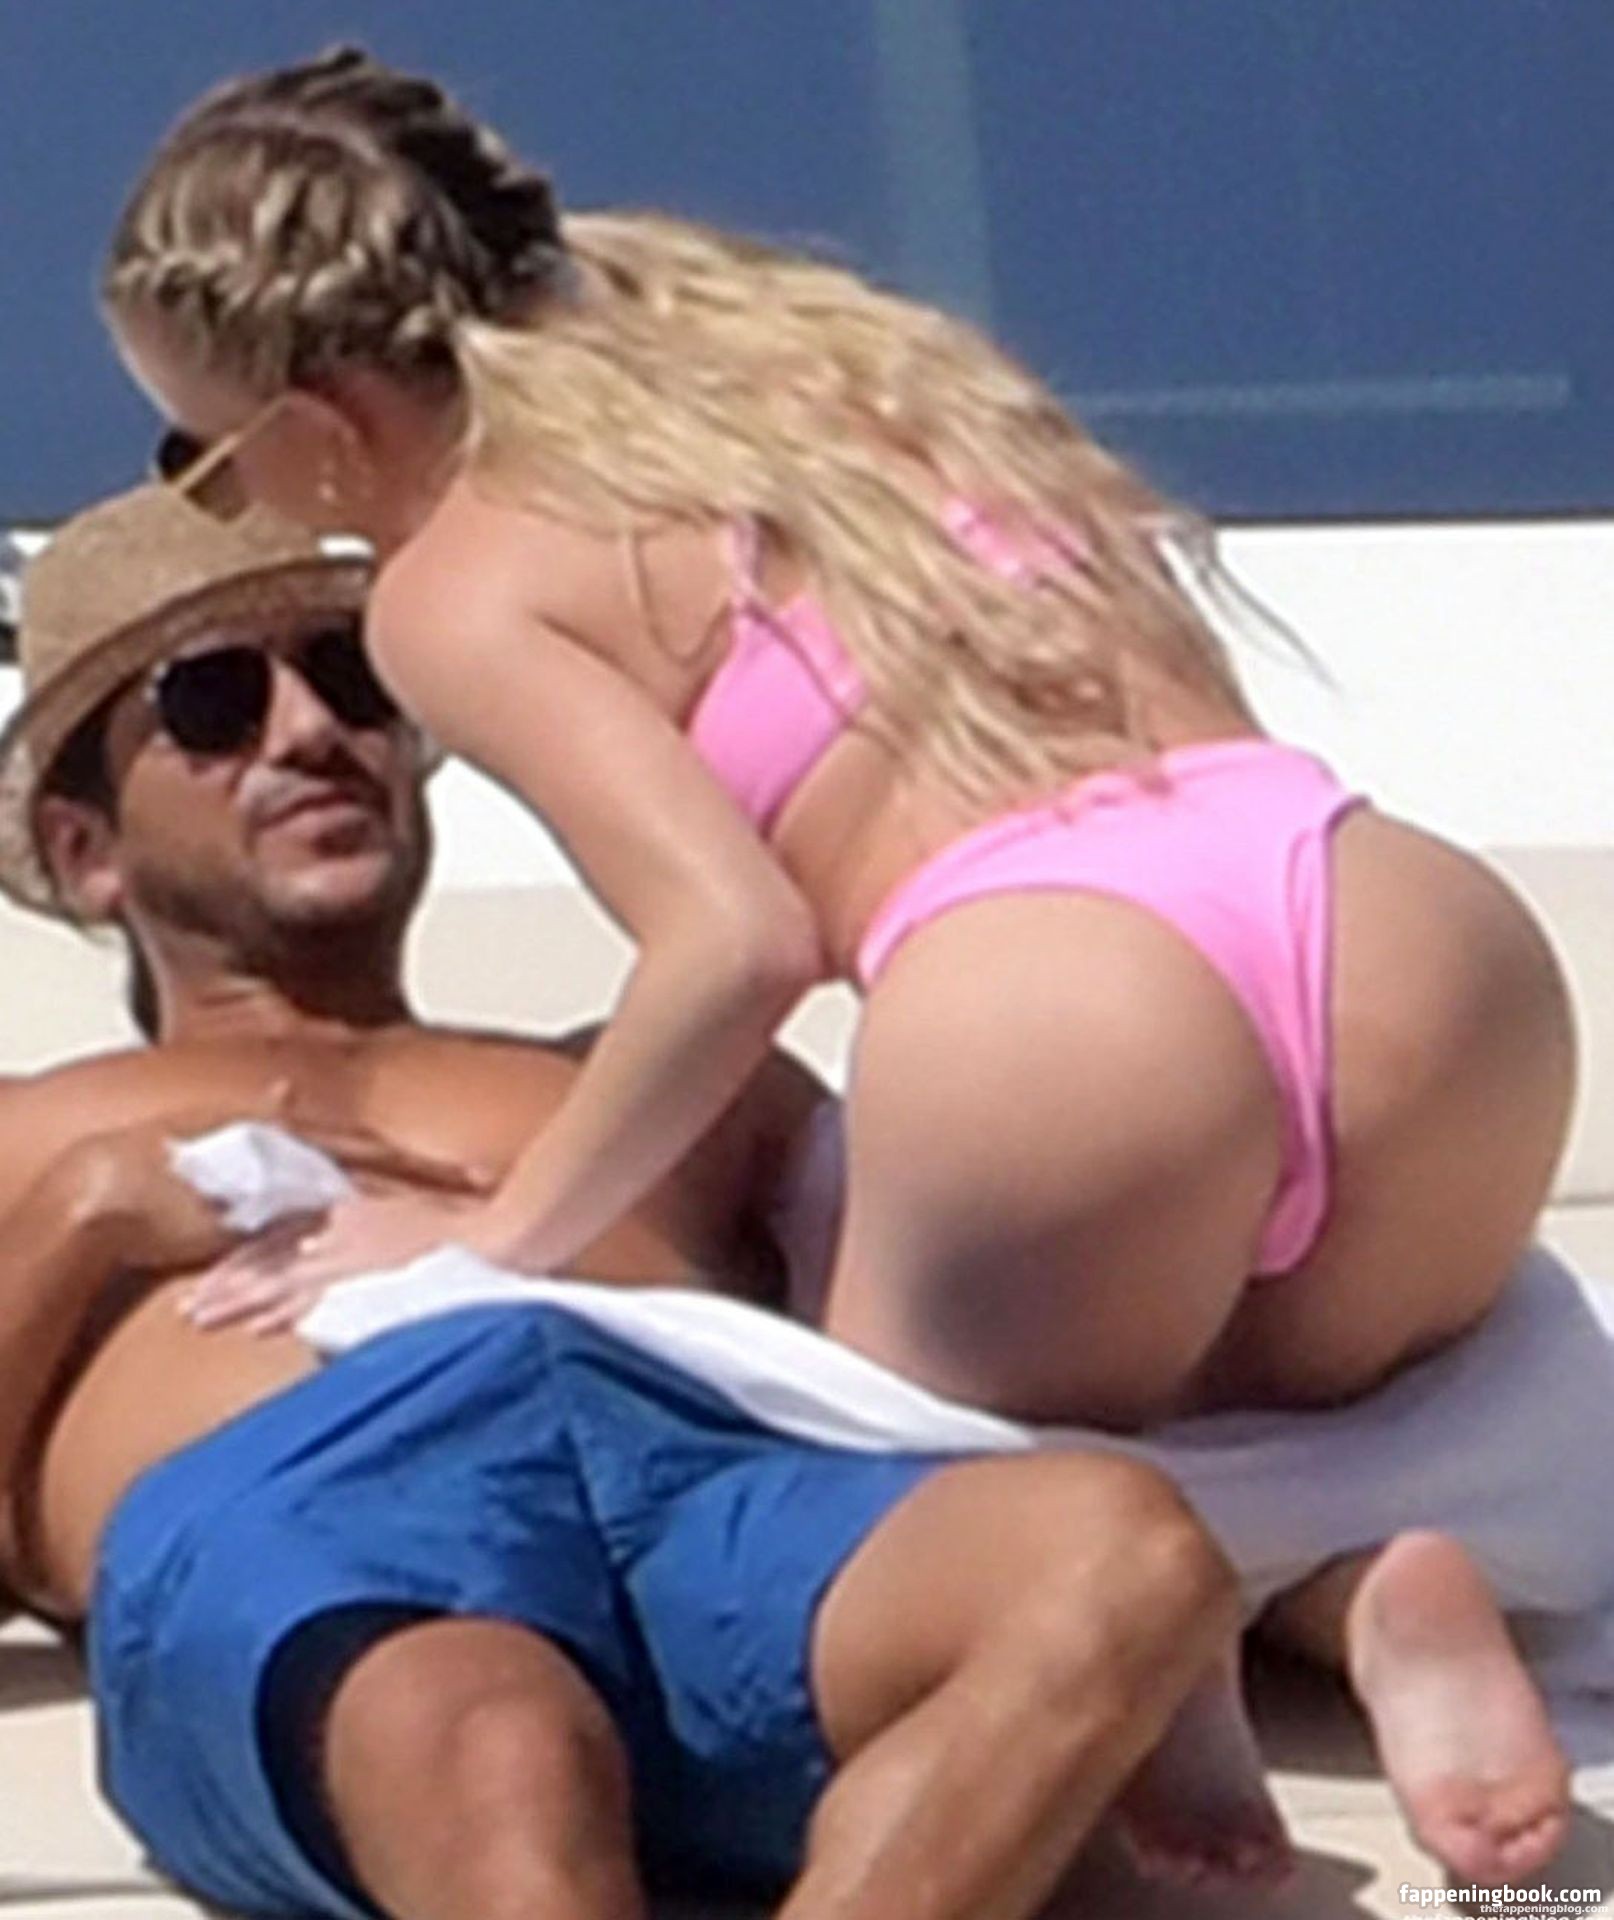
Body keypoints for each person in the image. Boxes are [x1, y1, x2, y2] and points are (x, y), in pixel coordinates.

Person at [103, 48, 1574, 1447]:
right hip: (1400, 934)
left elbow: (734, 944)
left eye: (208, 463)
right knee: (1341, 1461)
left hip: (1051, 999)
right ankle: (1388, 1601)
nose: (241, 508)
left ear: (324, 420)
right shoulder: (825, 371)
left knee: (954, 1554)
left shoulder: (453, 586)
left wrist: (493, 1237)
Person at [0, 482, 1234, 1920]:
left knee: (1121, 1558)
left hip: (705, 1487)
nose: (310, 730)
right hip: (319, 1518)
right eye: (213, 703)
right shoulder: (34, 1129)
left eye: (351, 678)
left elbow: (1040, 1298)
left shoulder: (659, 1085)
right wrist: (80, 1215)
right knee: (500, 1750)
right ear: (86, 852)